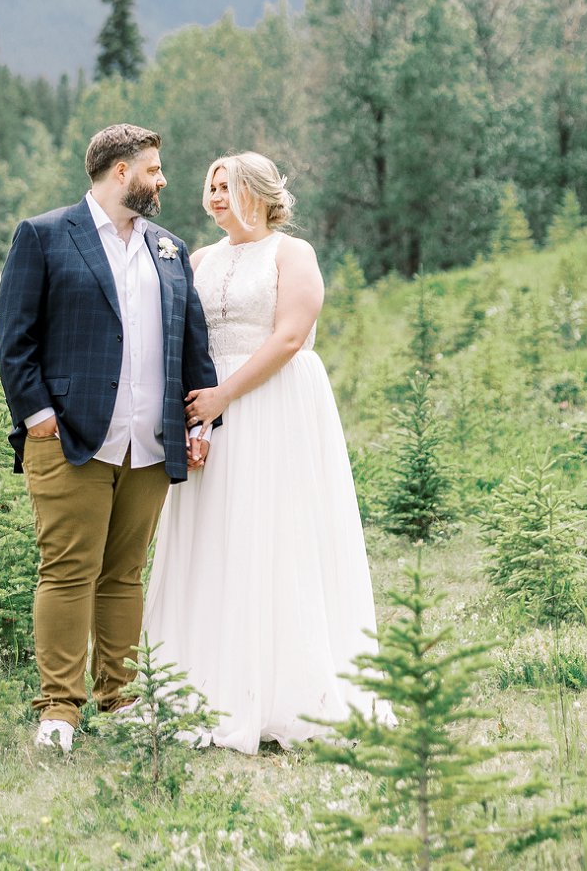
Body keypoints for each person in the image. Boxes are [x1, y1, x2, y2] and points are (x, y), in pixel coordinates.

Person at [0, 123, 218, 755]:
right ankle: (58, 710)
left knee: (124, 575)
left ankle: (116, 698)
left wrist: (199, 420)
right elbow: (13, 336)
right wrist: (37, 415)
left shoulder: (169, 247)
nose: (163, 178)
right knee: (68, 570)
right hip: (71, 438)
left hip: (149, 441)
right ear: (121, 171)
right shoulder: (44, 235)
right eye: (155, 167)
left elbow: (191, 341)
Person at [143, 151, 377, 754]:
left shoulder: (292, 254)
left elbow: (291, 337)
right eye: (211, 186)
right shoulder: (198, 259)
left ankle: (286, 691)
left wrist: (225, 395)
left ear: (260, 192)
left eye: (228, 186)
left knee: (274, 533)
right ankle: (200, 683)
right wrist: (193, 417)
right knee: (214, 535)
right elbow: (185, 338)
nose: (215, 196)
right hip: (209, 407)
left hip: (273, 402)